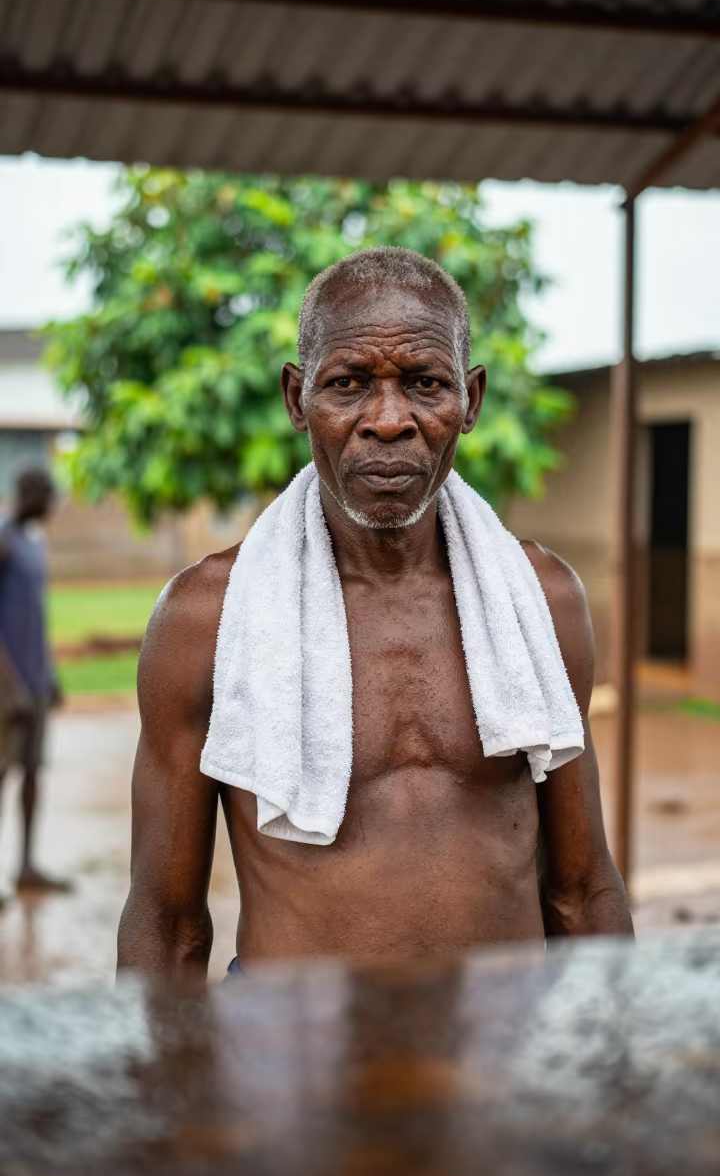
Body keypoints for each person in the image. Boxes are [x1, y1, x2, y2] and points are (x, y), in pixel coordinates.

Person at [118, 248, 632, 977]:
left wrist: (613, 1060)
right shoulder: (207, 617)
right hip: (292, 1056)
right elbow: (166, 923)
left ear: (471, 400)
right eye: (349, 384)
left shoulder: (540, 601)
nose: (388, 421)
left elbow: (582, 888)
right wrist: (163, 1091)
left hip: (506, 1053)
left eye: (424, 383)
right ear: (298, 400)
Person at [0, 467, 67, 895]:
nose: (52, 503)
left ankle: (25, 866)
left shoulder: (32, 542)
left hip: (35, 684)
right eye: (47, 494)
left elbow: (33, 617)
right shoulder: (4, 541)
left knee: (32, 775)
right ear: (28, 494)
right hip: (8, 692)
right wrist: (10, 686)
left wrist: (49, 673)